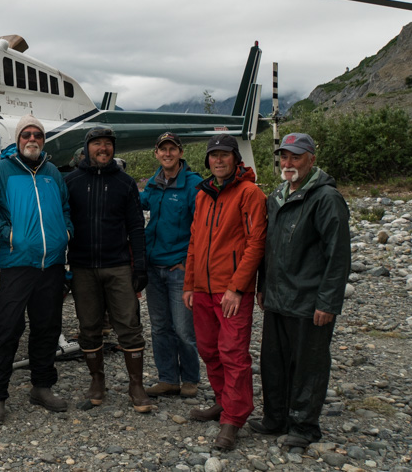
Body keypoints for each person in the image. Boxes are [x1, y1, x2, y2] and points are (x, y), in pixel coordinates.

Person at [250, 133, 350, 448]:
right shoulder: (277, 195)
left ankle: (304, 427)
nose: (288, 163)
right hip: (278, 299)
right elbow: (270, 248)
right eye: (284, 156)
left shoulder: (325, 198)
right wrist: (263, 286)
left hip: (309, 302)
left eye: (296, 156)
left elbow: (338, 256)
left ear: (311, 159)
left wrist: (329, 302)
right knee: (273, 362)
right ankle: (275, 418)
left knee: (309, 365)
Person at [0, 115, 73, 425]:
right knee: (7, 328)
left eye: (38, 135)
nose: (32, 139)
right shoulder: (1, 171)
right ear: (17, 140)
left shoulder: (53, 173)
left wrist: (66, 233)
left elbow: (65, 209)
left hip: (52, 264)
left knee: (47, 327)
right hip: (18, 262)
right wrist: (8, 234)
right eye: (26, 135)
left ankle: (41, 386)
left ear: (43, 140)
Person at [183, 133, 266, 450]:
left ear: (236, 159)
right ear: (208, 161)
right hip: (203, 289)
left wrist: (237, 287)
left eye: (224, 154)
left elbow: (255, 243)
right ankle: (222, 401)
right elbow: (194, 242)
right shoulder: (203, 194)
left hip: (232, 291)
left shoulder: (250, 193)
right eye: (213, 155)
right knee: (208, 350)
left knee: (233, 354)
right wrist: (189, 284)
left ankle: (233, 418)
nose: (218, 160)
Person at [65, 125, 152, 414]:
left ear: (114, 149)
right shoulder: (72, 181)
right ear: (86, 147)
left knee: (129, 325)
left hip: (118, 266)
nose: (103, 148)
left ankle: (136, 385)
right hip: (82, 266)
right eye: (97, 143)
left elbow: (136, 227)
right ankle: (97, 382)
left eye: (108, 144)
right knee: (88, 326)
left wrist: (139, 266)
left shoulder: (126, 183)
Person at [140, 132, 203, 399]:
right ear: (156, 153)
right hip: (153, 268)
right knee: (159, 327)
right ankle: (168, 378)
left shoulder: (194, 185)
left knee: (183, 329)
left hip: (179, 269)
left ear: (180, 153)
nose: (167, 153)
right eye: (162, 149)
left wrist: (187, 264)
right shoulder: (152, 185)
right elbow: (132, 208)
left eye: (172, 149)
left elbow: (201, 230)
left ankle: (189, 378)